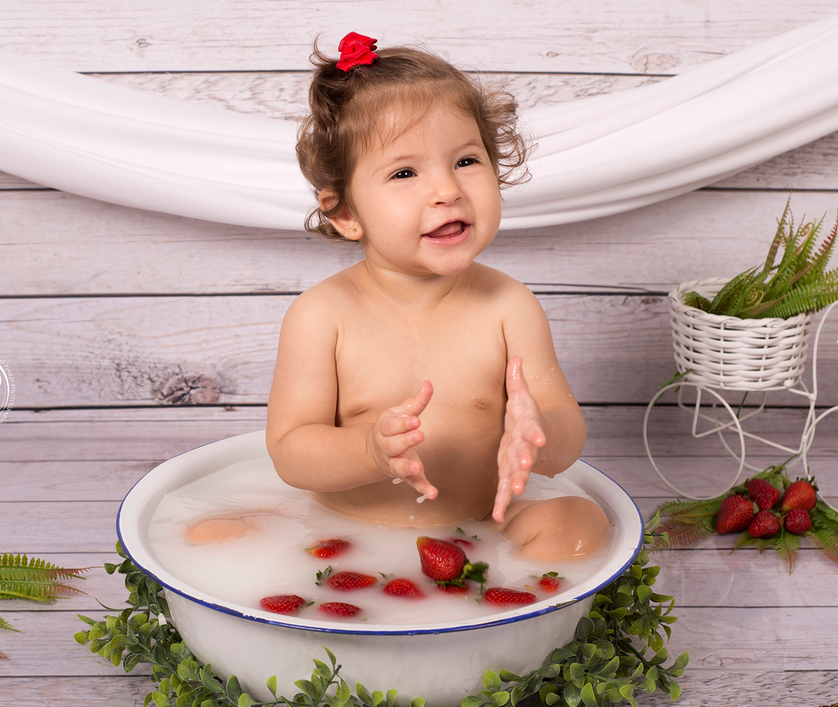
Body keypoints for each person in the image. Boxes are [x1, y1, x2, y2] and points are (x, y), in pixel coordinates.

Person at [258, 33, 610, 560]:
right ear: (346, 213)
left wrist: (539, 435)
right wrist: (370, 450)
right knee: (215, 534)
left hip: (487, 525)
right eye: (404, 172)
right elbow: (290, 453)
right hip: (347, 536)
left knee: (579, 524)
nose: (446, 190)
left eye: (467, 161)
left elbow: (566, 426)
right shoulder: (321, 316)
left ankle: (498, 605)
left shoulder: (508, 306)